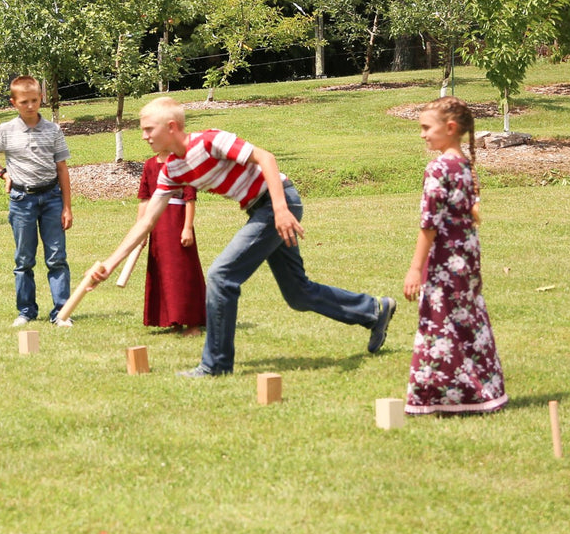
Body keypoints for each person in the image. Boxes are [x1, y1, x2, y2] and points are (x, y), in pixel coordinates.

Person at [89, 97, 396, 377]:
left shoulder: (209, 142)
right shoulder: (173, 169)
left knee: (221, 275)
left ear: (171, 127)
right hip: (260, 209)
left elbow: (266, 158)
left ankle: (215, 365)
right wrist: (110, 264)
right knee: (298, 294)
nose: (144, 136)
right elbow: (146, 222)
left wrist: (280, 210)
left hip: (277, 202)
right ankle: (373, 310)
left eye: (148, 129)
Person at [403, 97, 507, 415]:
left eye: (426, 128)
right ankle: (485, 392)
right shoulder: (463, 164)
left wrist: (415, 267)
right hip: (467, 260)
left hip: (445, 262)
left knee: (439, 324)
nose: (422, 135)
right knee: (467, 323)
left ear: (450, 129)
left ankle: (437, 397)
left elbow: (429, 224)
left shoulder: (437, 168)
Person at [0, 75, 74, 327]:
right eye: (24, 102)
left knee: (56, 257)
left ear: (41, 98)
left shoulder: (53, 130)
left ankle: (62, 313)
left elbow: (62, 169)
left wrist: (67, 207)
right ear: (14, 103)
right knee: (23, 260)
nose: (30, 106)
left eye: (34, 100)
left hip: (52, 198)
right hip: (22, 200)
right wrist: (3, 173)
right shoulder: (6, 131)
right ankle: (26, 311)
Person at [137, 152, 206, 333]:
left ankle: (192, 321)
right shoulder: (149, 165)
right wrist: (140, 231)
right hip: (158, 225)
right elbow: (145, 200)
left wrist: (187, 227)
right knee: (163, 271)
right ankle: (172, 320)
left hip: (177, 221)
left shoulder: (183, 163)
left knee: (183, 271)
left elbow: (190, 199)